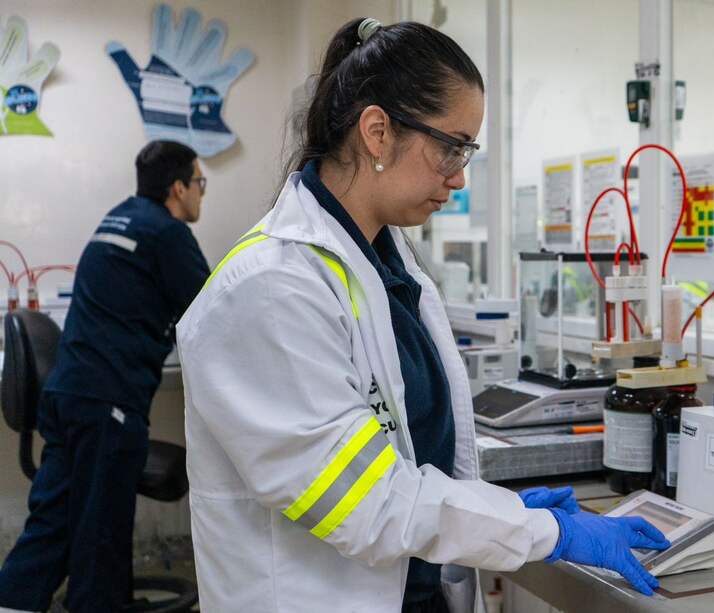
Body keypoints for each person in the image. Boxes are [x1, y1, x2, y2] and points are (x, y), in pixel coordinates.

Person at [177, 18, 669, 613]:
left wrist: (499, 509)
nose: (459, 177)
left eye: (467, 151)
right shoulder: (269, 289)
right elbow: (366, 504)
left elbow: (412, 458)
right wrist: (543, 531)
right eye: (450, 147)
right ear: (377, 132)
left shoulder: (390, 266)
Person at [0, 141, 210, 613]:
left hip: (67, 394)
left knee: (52, 523)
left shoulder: (115, 219)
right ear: (178, 189)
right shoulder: (168, 234)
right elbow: (211, 311)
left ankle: (12, 601)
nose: (201, 193)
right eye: (200, 183)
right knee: (101, 535)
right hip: (107, 403)